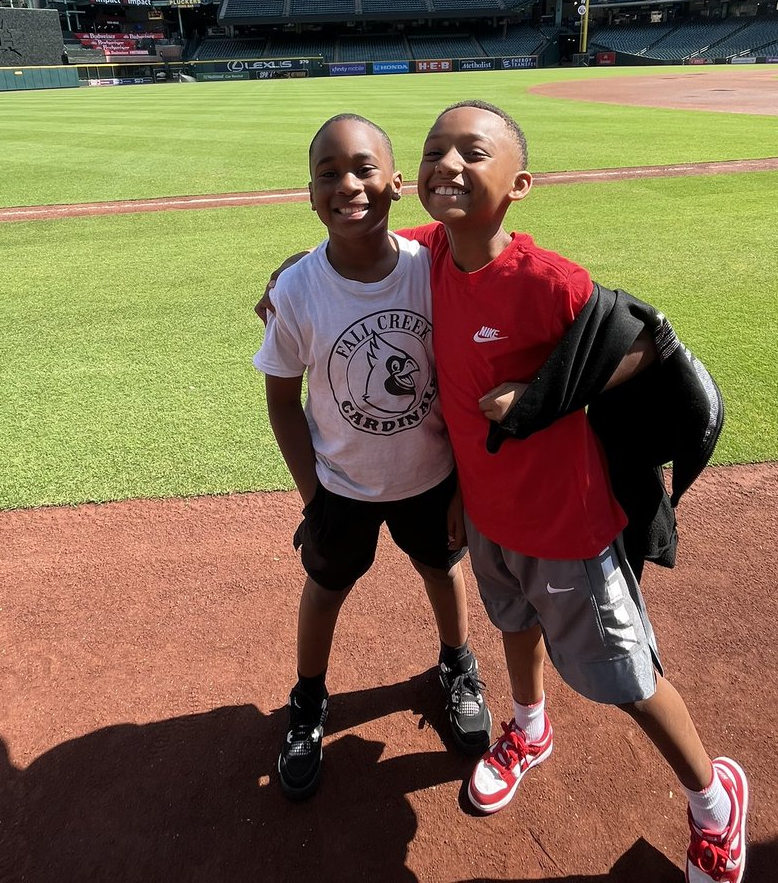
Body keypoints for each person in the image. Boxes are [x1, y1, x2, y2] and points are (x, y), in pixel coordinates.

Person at [395, 99, 748, 883]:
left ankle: (714, 799)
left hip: (566, 526)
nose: (448, 164)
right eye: (433, 151)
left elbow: (644, 342)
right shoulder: (432, 256)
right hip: (489, 517)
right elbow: (373, 247)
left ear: (519, 184)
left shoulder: (547, 279)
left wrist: (544, 392)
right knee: (512, 628)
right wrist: (297, 268)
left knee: (628, 681)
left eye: (472, 152)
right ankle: (529, 728)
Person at [252, 113, 491, 802]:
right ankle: (307, 699)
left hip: (431, 475)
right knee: (325, 588)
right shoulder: (297, 290)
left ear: (397, 184)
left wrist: (465, 486)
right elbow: (281, 400)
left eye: (362, 169)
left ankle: (456, 665)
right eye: (328, 173)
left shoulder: (432, 269)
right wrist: (313, 497)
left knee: (443, 570)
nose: (346, 184)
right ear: (310, 192)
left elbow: (464, 379)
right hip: (341, 487)